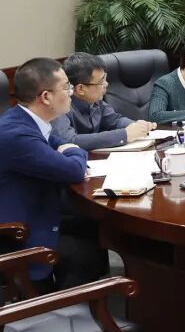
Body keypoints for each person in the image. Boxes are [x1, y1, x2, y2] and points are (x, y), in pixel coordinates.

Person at [0, 58, 104, 291]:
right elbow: (73, 169)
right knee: (83, 253)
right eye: (66, 87)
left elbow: (58, 143)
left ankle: (75, 296)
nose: (71, 92)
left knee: (94, 225)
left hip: (39, 209)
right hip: (19, 235)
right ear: (46, 97)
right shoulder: (17, 135)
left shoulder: (27, 119)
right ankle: (57, 302)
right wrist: (74, 151)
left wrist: (68, 150)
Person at [50, 52, 157, 150]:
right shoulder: (60, 106)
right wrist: (125, 135)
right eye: (101, 82)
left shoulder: (96, 102)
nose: (106, 84)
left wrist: (136, 126)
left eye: (105, 79)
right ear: (80, 89)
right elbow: (70, 141)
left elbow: (115, 120)